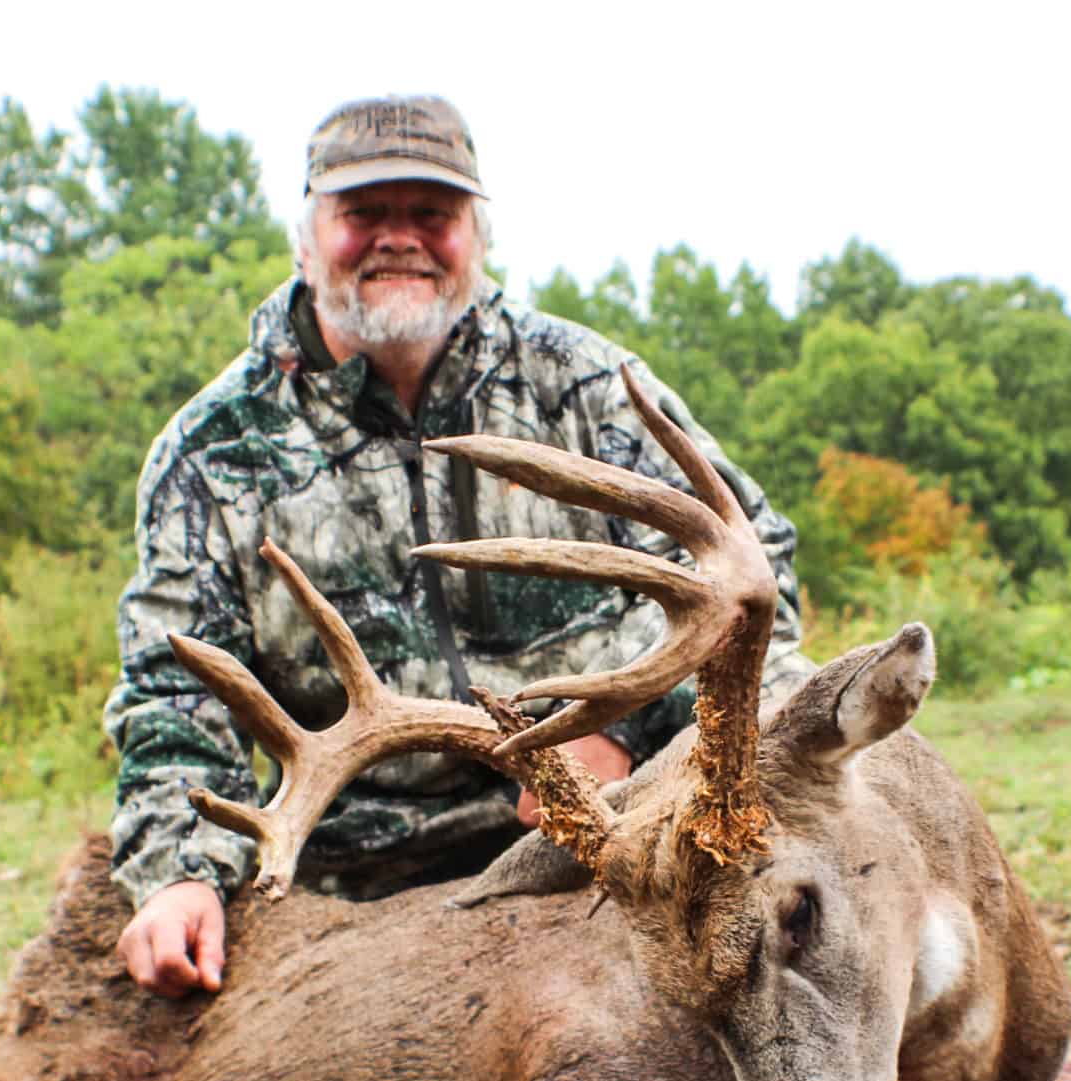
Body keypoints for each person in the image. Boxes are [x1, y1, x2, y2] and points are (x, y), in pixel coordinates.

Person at [104, 95, 812, 995]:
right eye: (363, 214)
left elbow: (747, 573)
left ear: (476, 234)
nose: (399, 238)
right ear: (306, 233)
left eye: (432, 215)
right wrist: (177, 872)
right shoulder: (215, 450)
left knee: (807, 823)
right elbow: (174, 686)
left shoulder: (585, 389)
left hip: (622, 824)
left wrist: (625, 732)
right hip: (359, 881)